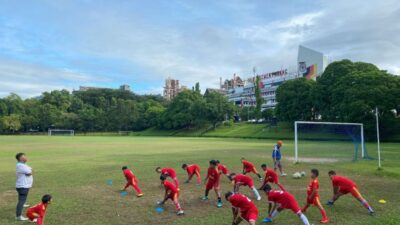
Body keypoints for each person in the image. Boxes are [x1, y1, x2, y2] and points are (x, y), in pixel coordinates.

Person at [15, 152, 33, 221]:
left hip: (23, 185)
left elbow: (30, 170)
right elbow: (29, 172)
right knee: (21, 200)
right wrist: (30, 171)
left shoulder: (23, 165)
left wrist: (30, 171)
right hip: (23, 186)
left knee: (22, 199)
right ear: (20, 158)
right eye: (24, 156)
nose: (26, 157)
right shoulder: (20, 165)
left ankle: (23, 204)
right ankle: (18, 216)